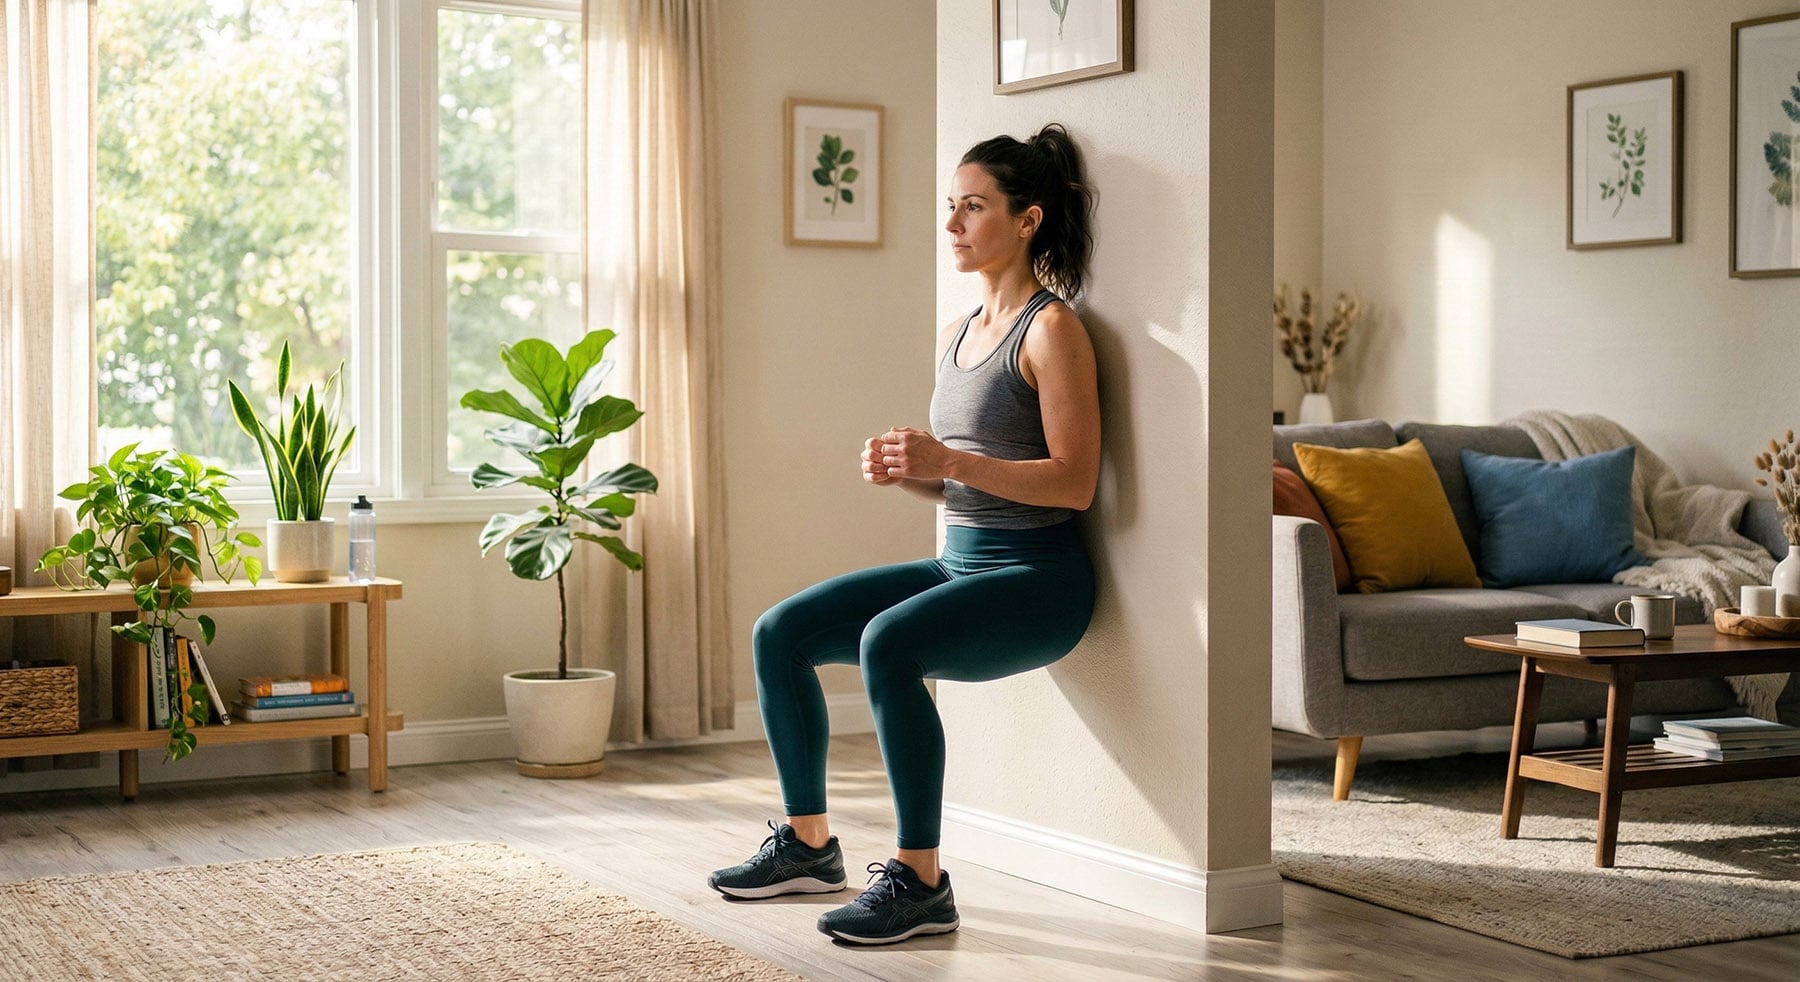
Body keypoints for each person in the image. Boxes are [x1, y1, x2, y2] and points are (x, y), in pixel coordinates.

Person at [708, 123, 1100, 946]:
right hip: (960, 563)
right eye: (949, 207)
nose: (953, 224)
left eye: (972, 207)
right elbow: (961, 476)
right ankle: (809, 847)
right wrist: (911, 471)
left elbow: (1073, 482)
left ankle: (921, 884)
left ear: (1026, 221)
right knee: (780, 632)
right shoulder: (960, 332)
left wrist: (947, 457)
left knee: (889, 642)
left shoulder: (1052, 329)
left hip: (1041, 581)